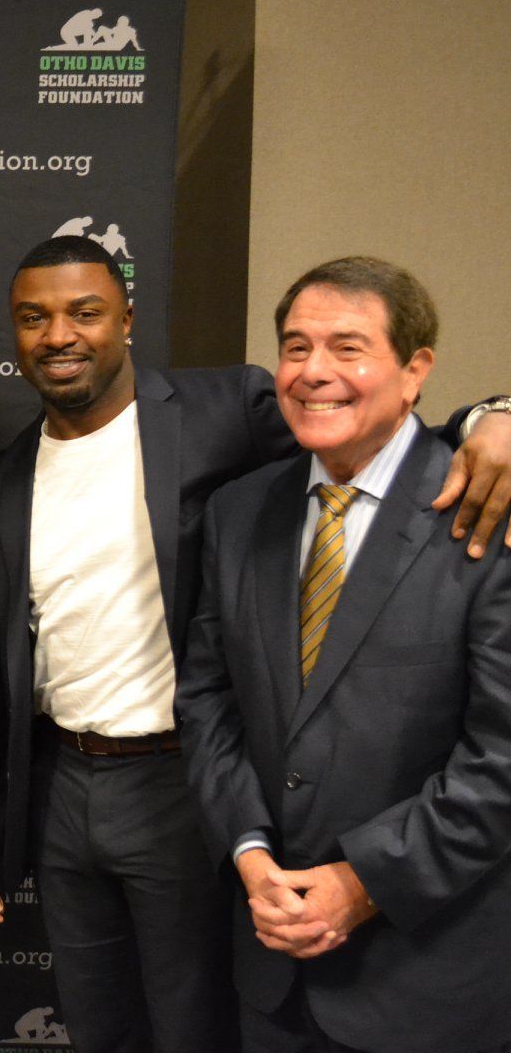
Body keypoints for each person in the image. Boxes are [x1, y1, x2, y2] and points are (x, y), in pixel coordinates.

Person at [0, 238, 511, 1053]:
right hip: (64, 788)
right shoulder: (8, 475)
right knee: (95, 1021)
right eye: (34, 319)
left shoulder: (226, 413)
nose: (59, 334)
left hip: (177, 788)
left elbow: (369, 424)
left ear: (129, 320)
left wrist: (493, 418)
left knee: (190, 1024)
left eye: (85, 312)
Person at [178, 256, 511, 1053]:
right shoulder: (239, 512)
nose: (313, 373)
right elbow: (207, 701)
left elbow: (501, 757)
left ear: (415, 371)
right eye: (295, 348)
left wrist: (362, 883)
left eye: (348, 348)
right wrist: (253, 856)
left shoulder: (487, 511)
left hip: (428, 980)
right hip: (272, 969)